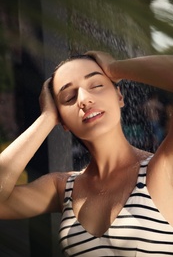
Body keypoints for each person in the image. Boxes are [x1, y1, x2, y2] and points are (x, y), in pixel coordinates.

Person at [0, 51, 173, 256]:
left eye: (97, 85)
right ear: (62, 120)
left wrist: (113, 68)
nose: (84, 99)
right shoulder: (62, 188)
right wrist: (46, 118)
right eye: (69, 97)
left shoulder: (162, 167)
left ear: (119, 96)